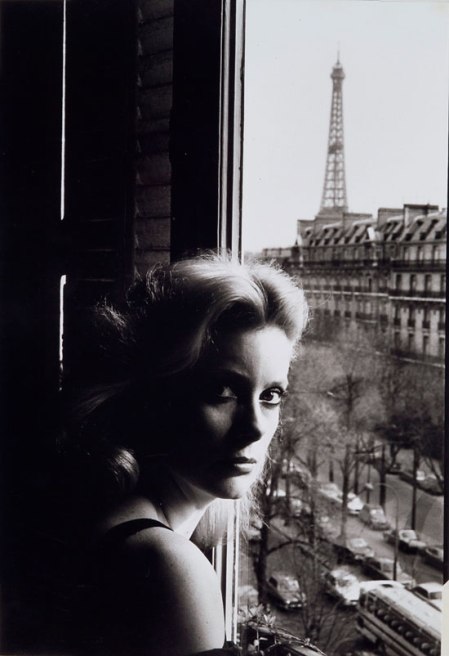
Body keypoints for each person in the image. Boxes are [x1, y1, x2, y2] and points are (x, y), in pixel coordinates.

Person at [55, 254, 308, 656]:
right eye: (222, 391)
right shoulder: (168, 565)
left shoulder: (113, 519)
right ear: (155, 395)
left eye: (271, 396)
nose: (255, 426)